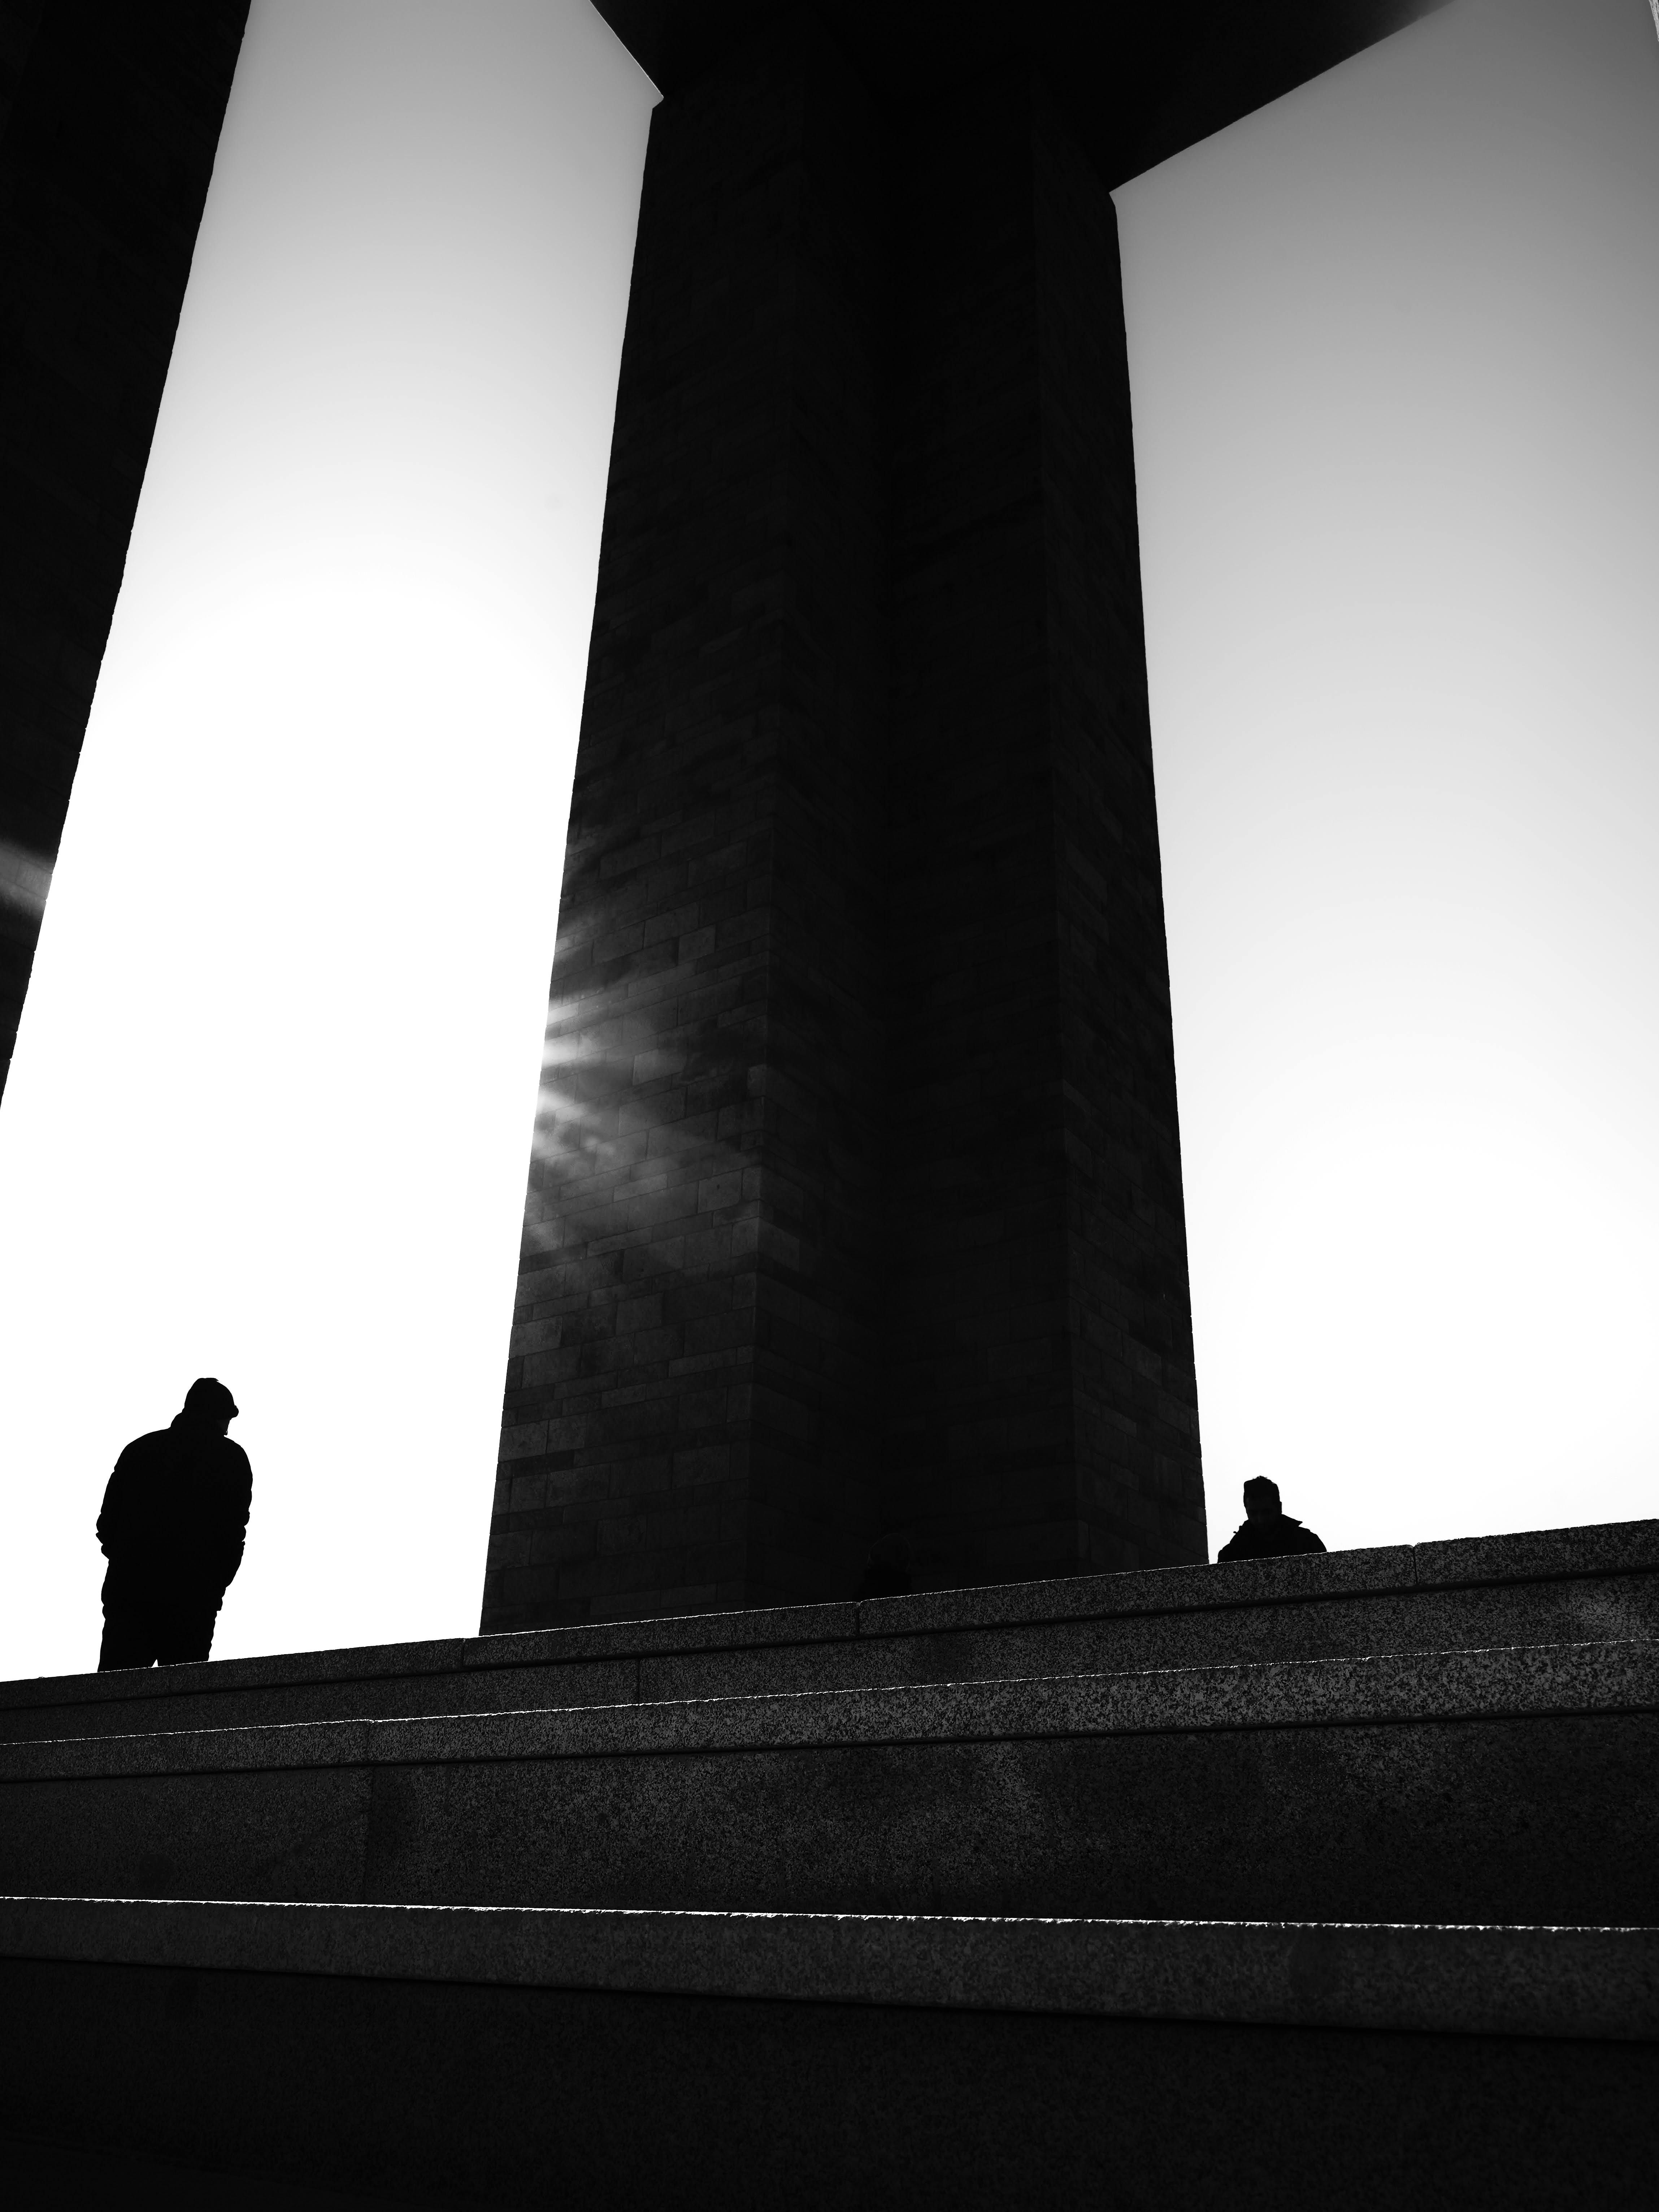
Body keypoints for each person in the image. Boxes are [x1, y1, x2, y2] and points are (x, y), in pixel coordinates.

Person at [95, 1378, 252, 1669]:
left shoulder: (139, 1450)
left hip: (130, 1593)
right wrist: (214, 1584)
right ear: (219, 1416)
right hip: (193, 1599)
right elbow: (233, 1533)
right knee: (183, 1691)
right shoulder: (231, 1459)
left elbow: (106, 1525)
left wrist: (125, 1562)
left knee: (116, 1691)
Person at [1216, 1475, 1326, 1562]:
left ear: (1279, 1508)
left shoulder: (1308, 1543)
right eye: (1253, 1513)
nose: (1260, 1520)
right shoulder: (1233, 1553)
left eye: (1266, 1512)